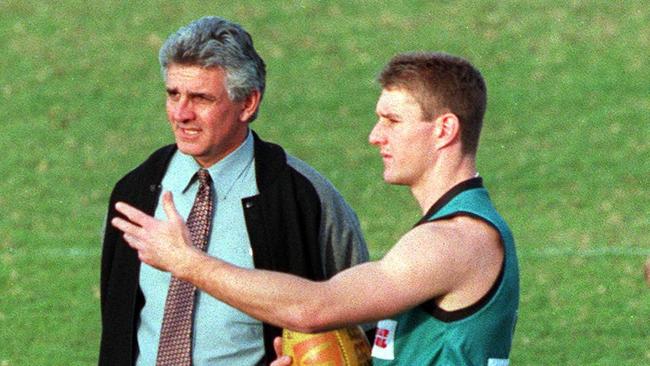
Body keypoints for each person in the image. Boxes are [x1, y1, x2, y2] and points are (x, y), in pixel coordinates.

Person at [112, 52, 520, 365]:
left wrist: (187, 263)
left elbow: (312, 308)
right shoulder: (447, 231)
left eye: (392, 120)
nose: (375, 136)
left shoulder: (454, 240)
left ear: (444, 130)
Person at [99, 16, 369, 366]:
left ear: (248, 103)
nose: (181, 113)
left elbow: (362, 315)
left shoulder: (305, 198)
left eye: (200, 98)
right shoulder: (135, 190)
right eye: (173, 94)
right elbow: (118, 327)